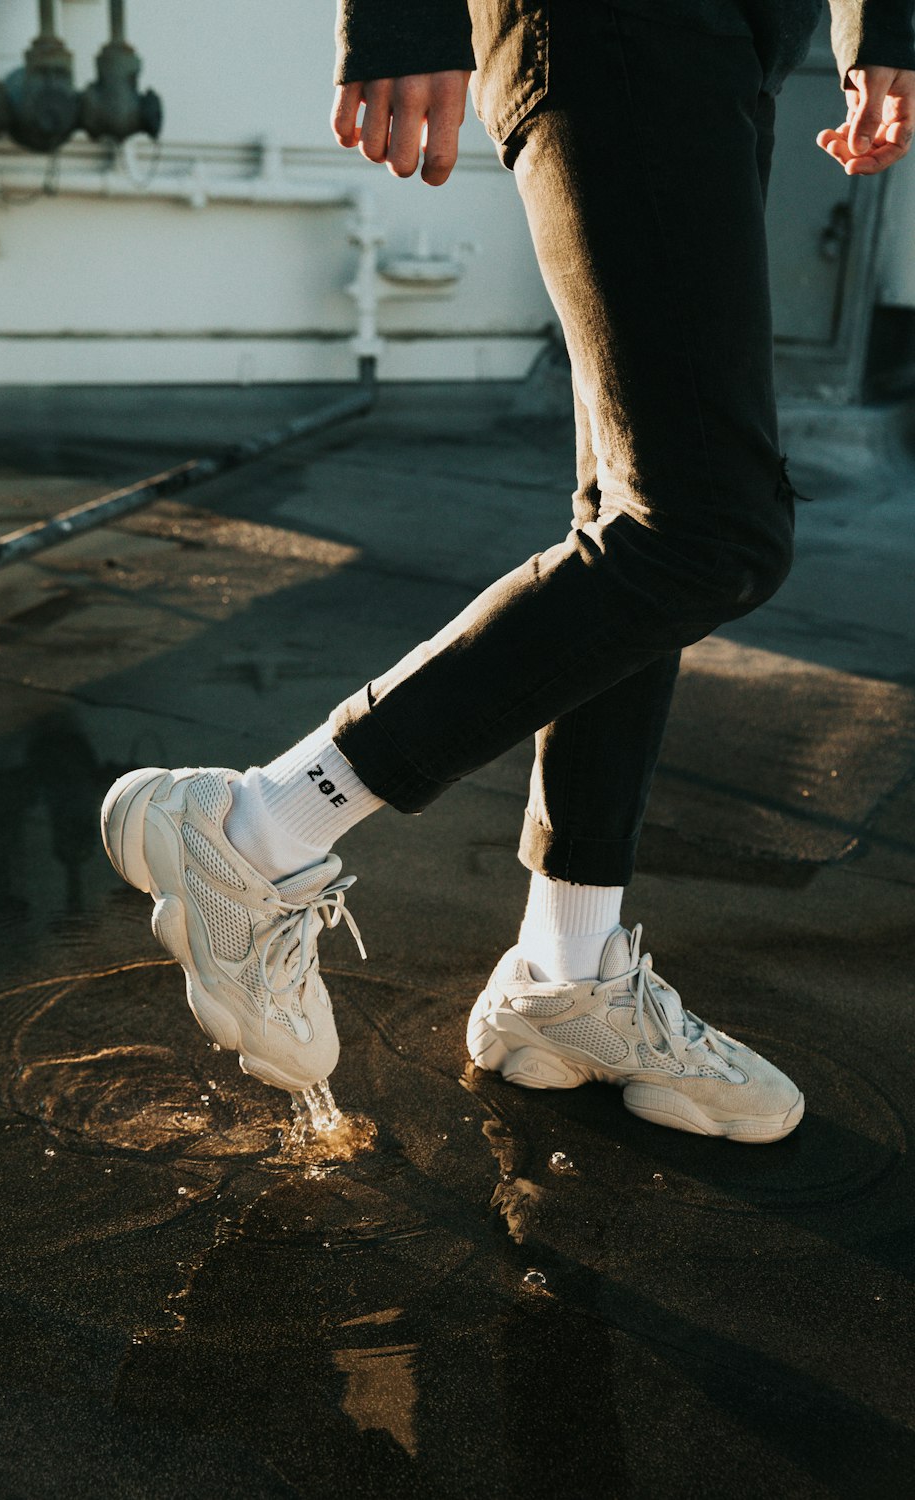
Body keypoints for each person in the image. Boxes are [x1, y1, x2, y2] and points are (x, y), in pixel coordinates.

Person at [101, 0, 915, 1144]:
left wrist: (879, 26)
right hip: (622, 24)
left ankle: (561, 975)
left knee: (634, 516)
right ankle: (254, 828)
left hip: (728, 39)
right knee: (709, 529)